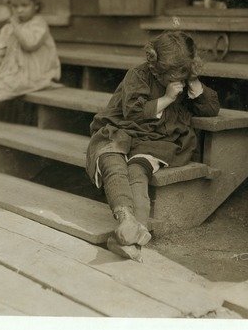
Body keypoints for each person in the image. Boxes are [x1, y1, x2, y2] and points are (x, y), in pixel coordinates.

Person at [86, 31, 220, 261]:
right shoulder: (137, 75)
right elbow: (134, 112)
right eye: (173, 73)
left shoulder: (184, 78)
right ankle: (126, 218)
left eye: (184, 71)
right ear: (156, 65)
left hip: (159, 140)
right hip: (124, 128)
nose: (179, 77)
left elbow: (210, 108)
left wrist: (195, 83)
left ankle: (132, 232)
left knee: (137, 171)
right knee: (111, 158)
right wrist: (167, 98)